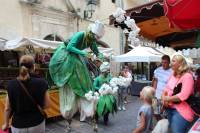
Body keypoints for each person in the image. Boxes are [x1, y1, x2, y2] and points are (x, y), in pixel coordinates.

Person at [49, 21, 105, 124]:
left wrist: (101, 57)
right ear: (91, 33)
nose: (95, 40)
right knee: (76, 67)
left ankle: (85, 97)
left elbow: (97, 52)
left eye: (97, 39)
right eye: (95, 37)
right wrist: (83, 53)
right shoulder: (81, 34)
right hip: (66, 52)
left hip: (76, 55)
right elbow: (70, 47)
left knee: (83, 72)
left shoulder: (92, 40)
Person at [2, 55, 50, 133]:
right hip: (37, 123)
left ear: (20, 67)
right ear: (34, 66)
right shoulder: (42, 82)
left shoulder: (11, 84)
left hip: (18, 125)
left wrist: (6, 123)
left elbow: (7, 108)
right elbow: (47, 105)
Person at [162, 54, 195, 133]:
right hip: (169, 108)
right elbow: (166, 88)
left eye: (173, 61)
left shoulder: (187, 76)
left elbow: (184, 95)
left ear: (180, 63)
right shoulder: (173, 74)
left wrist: (167, 98)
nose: (170, 63)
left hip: (181, 111)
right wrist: (164, 99)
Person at [152, 55, 172, 120]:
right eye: (162, 62)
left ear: (169, 62)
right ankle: (161, 124)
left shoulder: (172, 72)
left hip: (166, 96)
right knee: (155, 113)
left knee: (166, 113)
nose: (163, 64)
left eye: (165, 62)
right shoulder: (157, 70)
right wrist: (153, 92)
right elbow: (155, 82)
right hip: (157, 95)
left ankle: (165, 124)